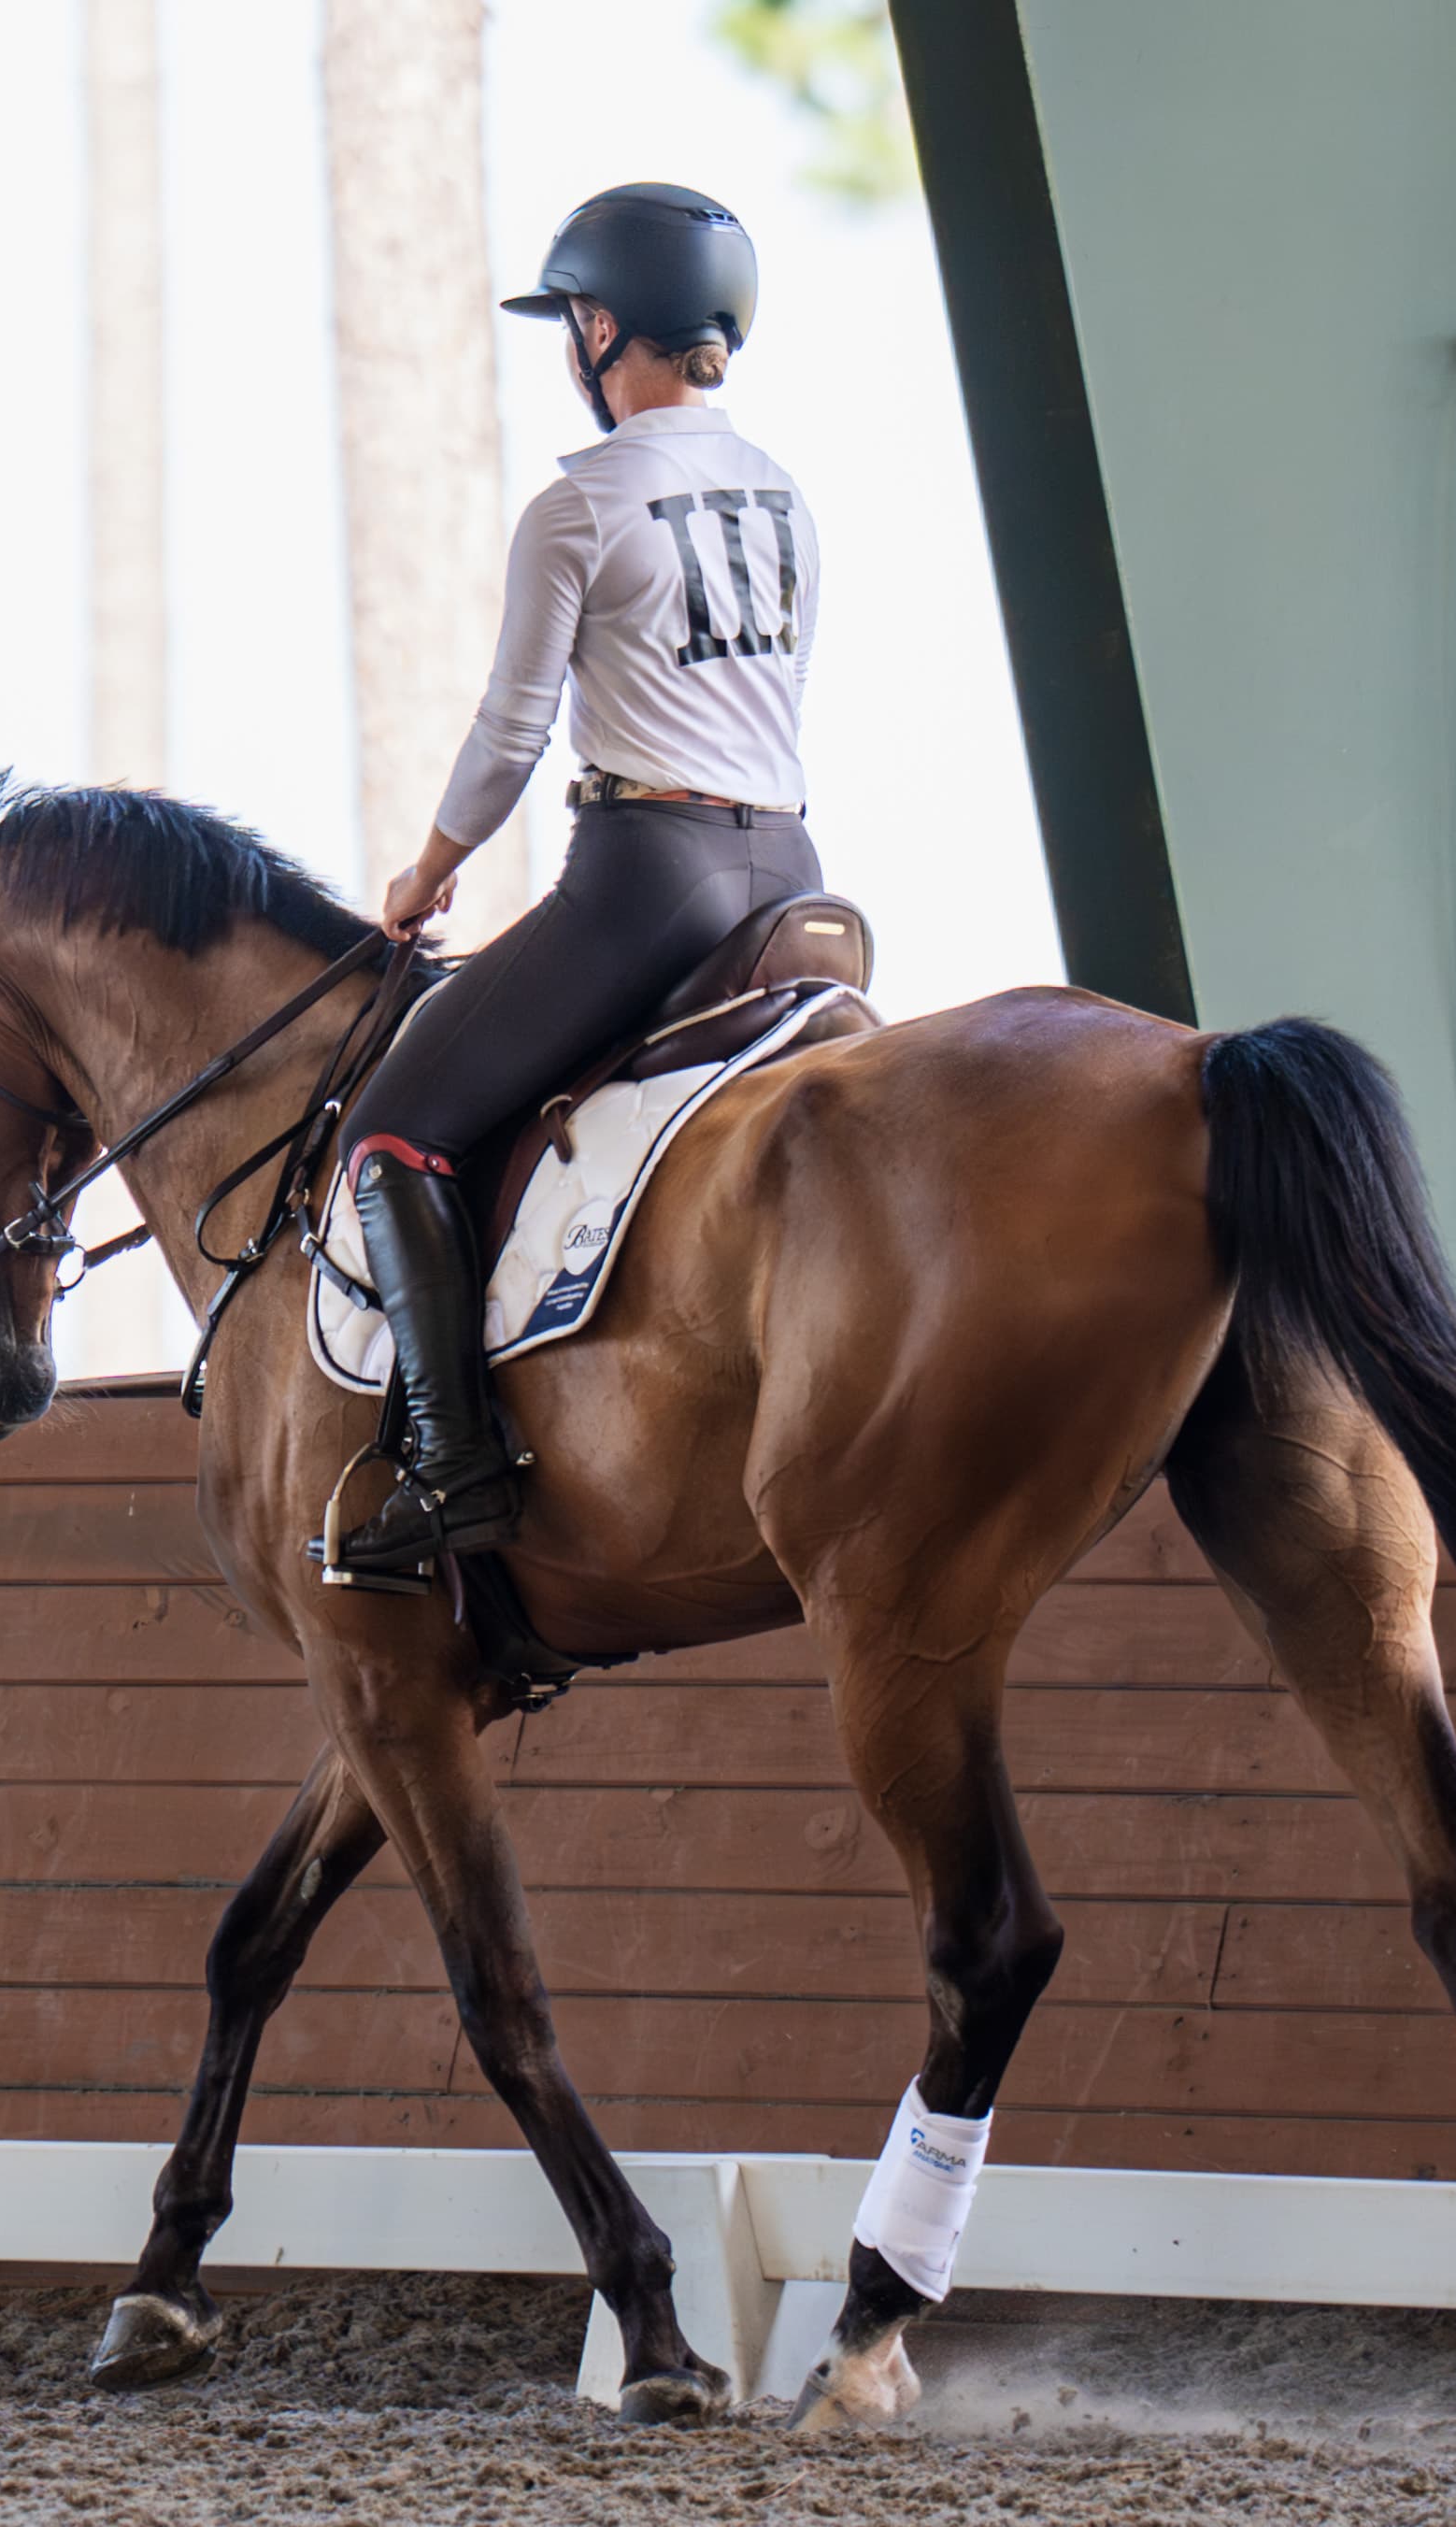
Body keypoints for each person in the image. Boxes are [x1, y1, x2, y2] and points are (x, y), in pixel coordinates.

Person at [321, 181, 827, 1582]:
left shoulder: (581, 506)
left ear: (602, 328)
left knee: (392, 1134)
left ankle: (456, 1470)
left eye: (572, 323)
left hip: (647, 879)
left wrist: (429, 871)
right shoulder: (784, 492)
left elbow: (510, 733)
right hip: (789, 874)